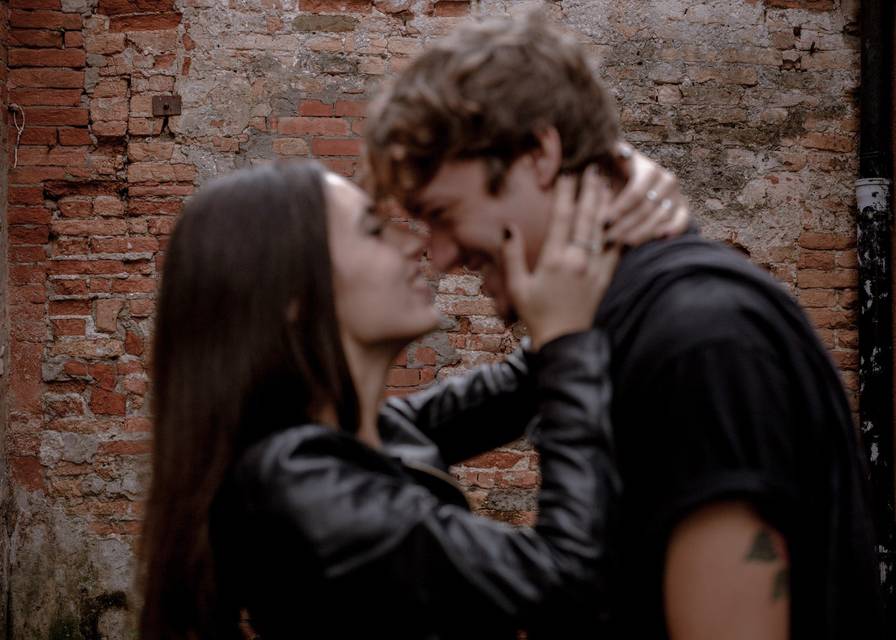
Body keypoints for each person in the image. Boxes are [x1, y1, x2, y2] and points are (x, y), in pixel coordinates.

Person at [365, 13, 885, 640]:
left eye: (445, 214)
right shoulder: (618, 320)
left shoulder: (701, 342)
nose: (442, 255)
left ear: (539, 154)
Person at [137, 158, 677, 639]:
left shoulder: (365, 434)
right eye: (375, 230)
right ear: (297, 297)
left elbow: (523, 381)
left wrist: (614, 203)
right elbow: (566, 581)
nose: (415, 244)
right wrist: (567, 340)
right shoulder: (300, 484)